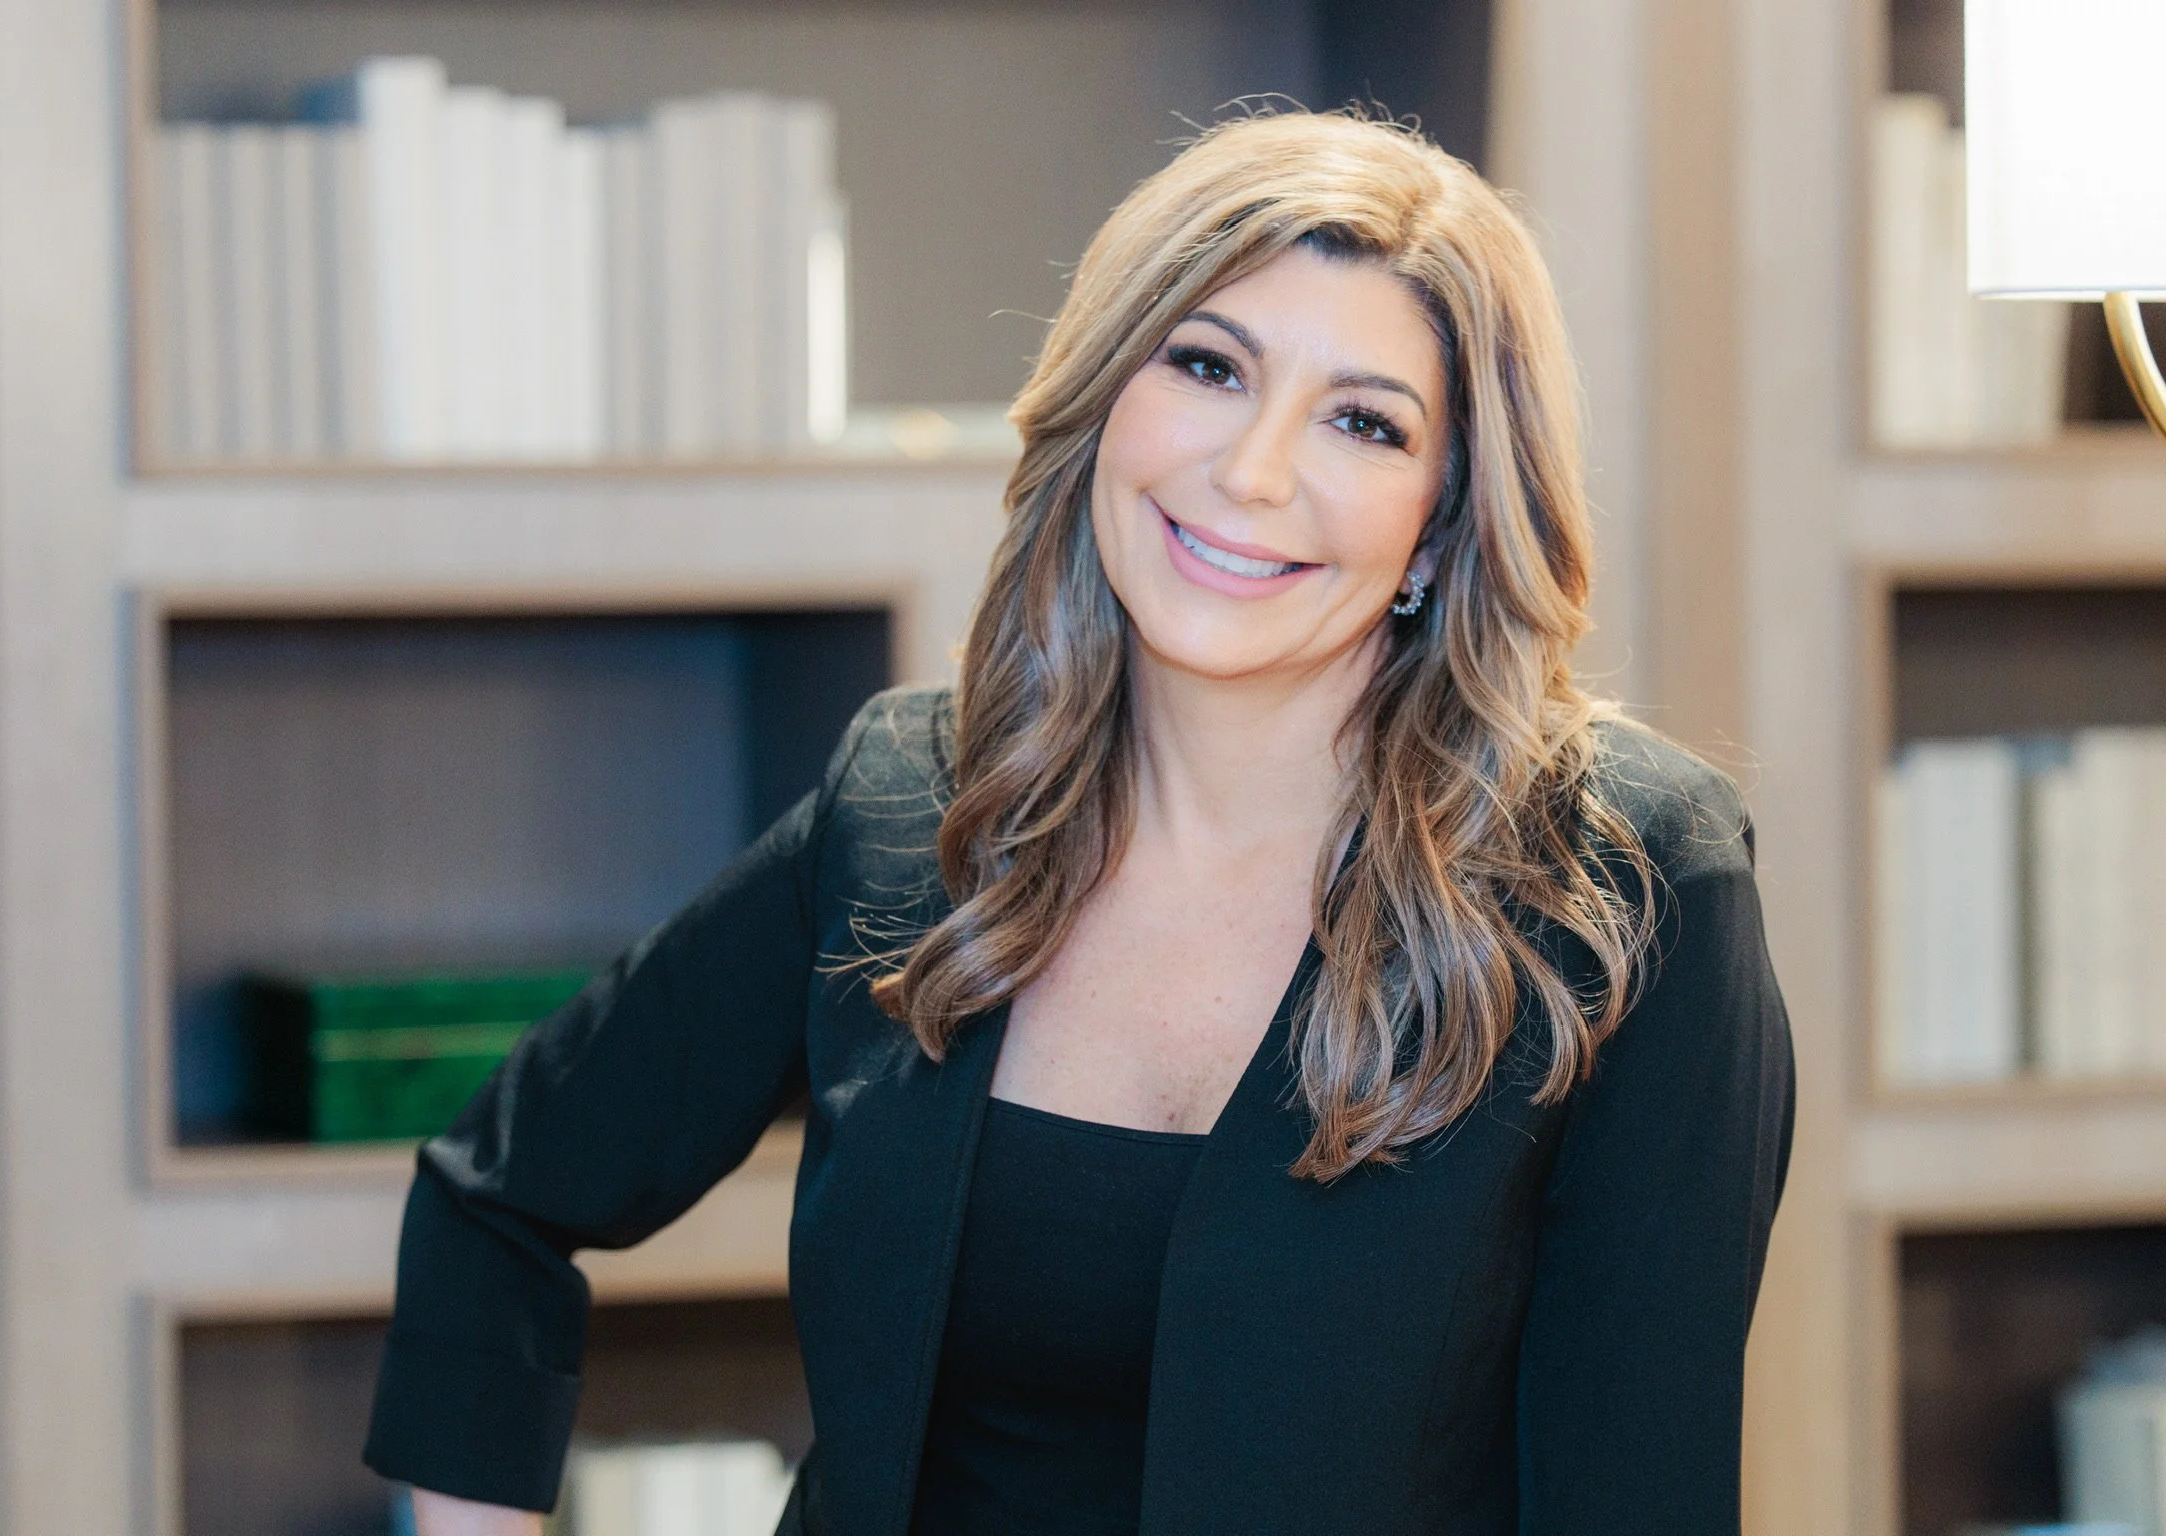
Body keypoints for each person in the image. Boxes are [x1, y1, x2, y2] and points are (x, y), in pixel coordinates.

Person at [363, 108, 1795, 1536]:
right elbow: (499, 1199)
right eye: (1208, 367)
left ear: (1440, 522)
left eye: (1364, 421)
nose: (1251, 471)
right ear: (1109, 395)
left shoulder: (1628, 889)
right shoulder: (909, 804)